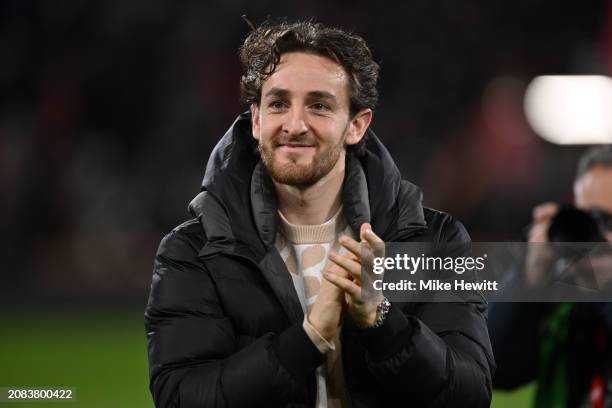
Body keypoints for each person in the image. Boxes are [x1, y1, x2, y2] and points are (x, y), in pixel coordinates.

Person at [145, 19, 494, 407]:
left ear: (356, 126)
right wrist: (308, 338)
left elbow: (470, 395)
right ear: (257, 120)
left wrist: (380, 321)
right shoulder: (194, 250)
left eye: (319, 106)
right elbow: (179, 399)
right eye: (278, 103)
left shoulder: (436, 242)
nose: (295, 125)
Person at [489, 145, 612, 407]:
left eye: (609, 222)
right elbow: (495, 368)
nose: (598, 235)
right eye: (589, 218)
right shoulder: (570, 295)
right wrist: (529, 280)